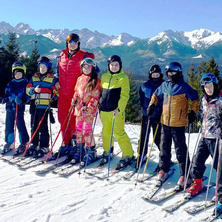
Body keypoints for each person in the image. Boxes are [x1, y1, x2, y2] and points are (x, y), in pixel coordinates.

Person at [147, 62, 199, 189]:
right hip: (165, 122)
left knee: (180, 149)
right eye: (169, 73)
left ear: (179, 72)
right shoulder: (165, 85)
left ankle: (185, 173)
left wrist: (194, 111)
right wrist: (151, 105)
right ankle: (163, 169)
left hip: (179, 123)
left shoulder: (184, 87)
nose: (171, 75)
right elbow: (155, 94)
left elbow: (196, 98)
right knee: (164, 148)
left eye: (173, 72)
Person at [187, 73, 222, 213]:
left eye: (210, 86)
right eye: (205, 87)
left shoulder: (220, 100)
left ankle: (220, 194)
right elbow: (203, 114)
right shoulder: (203, 100)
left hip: (217, 138)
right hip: (204, 136)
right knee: (197, 160)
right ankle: (198, 182)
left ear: (215, 85)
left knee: (219, 166)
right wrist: (194, 117)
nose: (208, 89)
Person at [56, 33, 94, 157]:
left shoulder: (84, 55)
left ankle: (77, 144)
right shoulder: (62, 55)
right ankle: (66, 143)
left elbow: (91, 69)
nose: (72, 44)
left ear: (78, 44)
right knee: (62, 118)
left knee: (75, 120)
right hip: (63, 93)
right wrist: (56, 82)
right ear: (67, 43)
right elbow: (59, 71)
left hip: (76, 93)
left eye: (75, 42)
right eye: (70, 42)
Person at [99, 55, 134, 169]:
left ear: (120, 66)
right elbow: (100, 93)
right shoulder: (104, 77)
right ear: (108, 66)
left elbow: (124, 95)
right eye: (112, 65)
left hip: (116, 111)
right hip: (104, 110)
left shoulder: (123, 78)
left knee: (119, 132)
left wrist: (119, 109)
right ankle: (107, 150)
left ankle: (128, 154)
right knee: (106, 132)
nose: (114, 67)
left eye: (116, 65)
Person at [66, 58, 101, 165]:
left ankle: (91, 151)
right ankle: (80, 150)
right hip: (78, 109)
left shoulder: (95, 80)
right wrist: (74, 100)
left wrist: (89, 107)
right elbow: (76, 92)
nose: (86, 69)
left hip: (88, 111)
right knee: (78, 130)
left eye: (88, 67)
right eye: (84, 67)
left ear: (92, 68)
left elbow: (95, 97)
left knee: (86, 130)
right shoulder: (80, 79)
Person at [26, 56, 58, 157]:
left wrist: (54, 97)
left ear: (48, 67)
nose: (42, 68)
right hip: (34, 106)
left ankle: (44, 146)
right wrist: (33, 90)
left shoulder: (52, 79)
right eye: (40, 66)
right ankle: (34, 144)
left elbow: (57, 90)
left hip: (44, 106)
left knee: (43, 126)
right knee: (33, 125)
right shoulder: (34, 78)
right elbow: (27, 89)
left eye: (44, 67)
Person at [137, 64, 164, 168]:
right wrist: (143, 109)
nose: (155, 76)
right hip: (146, 115)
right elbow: (141, 99)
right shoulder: (145, 86)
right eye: (154, 74)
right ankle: (142, 154)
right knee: (143, 136)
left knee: (158, 138)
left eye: (157, 74)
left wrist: (160, 113)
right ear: (150, 74)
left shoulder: (163, 85)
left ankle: (164, 156)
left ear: (160, 75)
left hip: (158, 116)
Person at [3, 61, 29, 154]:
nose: (17, 75)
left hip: (19, 108)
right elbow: (6, 93)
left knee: (20, 125)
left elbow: (27, 96)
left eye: (19, 73)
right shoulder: (10, 83)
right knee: (9, 125)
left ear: (23, 74)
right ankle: (9, 142)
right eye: (16, 74)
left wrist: (22, 100)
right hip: (10, 108)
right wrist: (5, 99)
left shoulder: (25, 83)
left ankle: (24, 141)